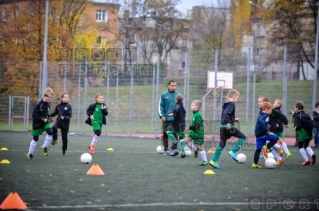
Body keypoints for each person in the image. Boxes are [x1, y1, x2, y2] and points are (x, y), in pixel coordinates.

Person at [209, 89, 246, 169]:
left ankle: (213, 161)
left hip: (222, 126)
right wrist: (229, 123)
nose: (237, 99)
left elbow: (225, 114)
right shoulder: (232, 104)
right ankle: (233, 152)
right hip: (228, 126)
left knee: (222, 144)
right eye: (237, 98)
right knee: (243, 137)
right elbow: (226, 114)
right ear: (234, 96)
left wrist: (233, 119)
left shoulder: (226, 104)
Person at [27, 87, 54, 159]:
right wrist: (42, 119)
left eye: (52, 97)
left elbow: (46, 113)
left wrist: (49, 118)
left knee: (50, 132)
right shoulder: (38, 105)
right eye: (50, 97)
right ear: (45, 96)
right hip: (37, 123)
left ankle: (44, 146)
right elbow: (34, 115)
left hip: (44, 123)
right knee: (35, 139)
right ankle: (30, 154)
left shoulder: (48, 104)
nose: (51, 99)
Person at [252, 102, 281, 168]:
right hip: (263, 134)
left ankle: (255, 164)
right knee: (276, 138)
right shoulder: (264, 116)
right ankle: (266, 147)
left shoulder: (261, 114)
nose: (271, 111)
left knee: (258, 150)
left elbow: (262, 122)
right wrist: (266, 129)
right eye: (270, 110)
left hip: (258, 135)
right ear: (267, 109)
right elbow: (261, 121)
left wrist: (268, 126)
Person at [179, 100, 207, 166]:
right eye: (191, 105)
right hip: (194, 132)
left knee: (201, 148)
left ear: (197, 107)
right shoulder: (194, 113)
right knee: (186, 140)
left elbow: (197, 126)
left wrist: (189, 127)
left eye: (192, 105)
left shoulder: (198, 115)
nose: (190, 106)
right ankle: (195, 150)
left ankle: (205, 161)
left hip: (199, 133)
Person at [158, 80, 180, 156]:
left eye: (175, 85)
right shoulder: (163, 95)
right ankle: (166, 149)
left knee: (175, 134)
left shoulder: (178, 94)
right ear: (168, 85)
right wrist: (162, 116)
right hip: (166, 118)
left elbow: (181, 106)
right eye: (172, 85)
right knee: (166, 134)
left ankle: (174, 149)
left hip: (175, 119)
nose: (174, 87)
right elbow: (160, 106)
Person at [292, 101, 316, 166]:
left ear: (297, 108)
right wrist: (294, 115)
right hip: (309, 132)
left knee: (300, 146)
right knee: (306, 146)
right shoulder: (306, 113)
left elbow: (298, 125)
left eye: (295, 107)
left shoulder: (297, 116)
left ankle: (306, 160)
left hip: (302, 132)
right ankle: (312, 155)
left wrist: (295, 128)